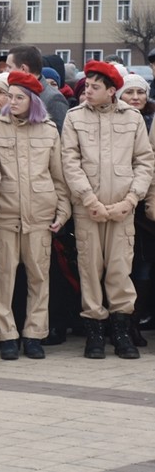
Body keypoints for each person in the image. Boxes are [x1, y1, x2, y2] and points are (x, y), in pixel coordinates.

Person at [66, 61, 153, 359]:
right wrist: (90, 201)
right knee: (90, 270)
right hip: (88, 210)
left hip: (122, 210)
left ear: (112, 91)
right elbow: (70, 163)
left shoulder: (132, 119)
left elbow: (144, 162)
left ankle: (121, 332)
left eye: (95, 87)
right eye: (86, 86)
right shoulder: (74, 117)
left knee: (119, 270)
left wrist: (131, 200)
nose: (87, 90)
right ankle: (95, 332)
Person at [0, 72, 70, 360]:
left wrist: (63, 210)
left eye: (19, 97)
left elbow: (58, 176)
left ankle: (34, 334)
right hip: (5, 214)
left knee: (39, 277)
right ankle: (7, 335)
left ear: (33, 100)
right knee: (2, 277)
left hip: (40, 215)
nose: (12, 102)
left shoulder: (48, 130)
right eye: (10, 96)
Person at [119, 74, 155, 344]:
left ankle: (136, 320)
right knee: (125, 266)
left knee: (143, 266)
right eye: (129, 92)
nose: (135, 97)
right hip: (122, 203)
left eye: (139, 92)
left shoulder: (150, 122)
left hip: (145, 205)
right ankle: (122, 323)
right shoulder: (117, 121)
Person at [6, 45, 68, 131]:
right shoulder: (11, 92)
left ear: (23, 68)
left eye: (9, 67)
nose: (6, 71)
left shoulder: (53, 98)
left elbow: (60, 135)